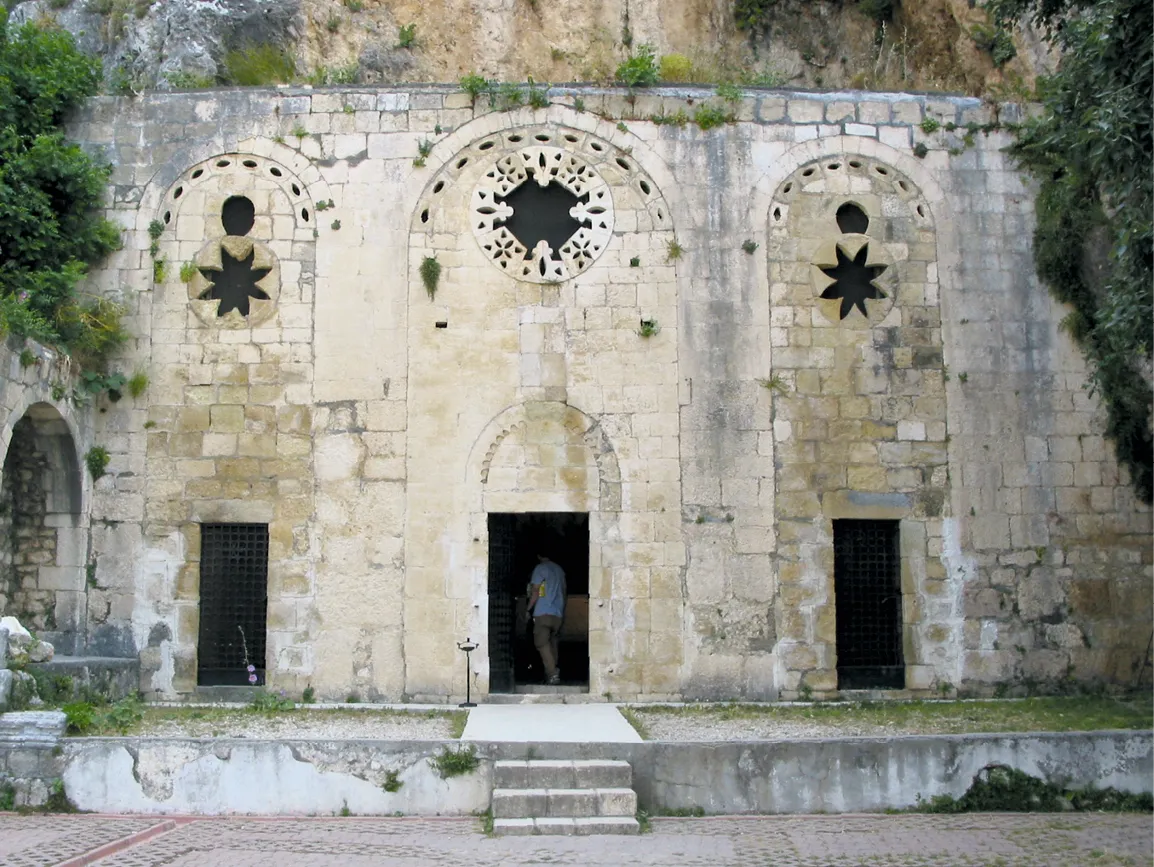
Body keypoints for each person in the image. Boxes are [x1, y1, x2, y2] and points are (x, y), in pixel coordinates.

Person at [526, 551, 566, 685]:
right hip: (557, 613)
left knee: (541, 643)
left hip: (543, 612)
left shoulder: (540, 569)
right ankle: (551, 674)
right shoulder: (560, 570)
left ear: (538, 555)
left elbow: (535, 591)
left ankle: (553, 674)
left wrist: (528, 609)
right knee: (553, 643)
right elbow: (564, 592)